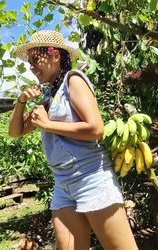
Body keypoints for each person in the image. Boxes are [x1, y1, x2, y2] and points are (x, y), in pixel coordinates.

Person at [9, 30, 138, 250]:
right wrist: (21, 101)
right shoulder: (49, 97)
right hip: (62, 184)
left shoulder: (73, 80)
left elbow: (95, 129)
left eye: (35, 59)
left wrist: (48, 125)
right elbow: (16, 131)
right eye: (29, 62)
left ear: (55, 55)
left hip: (91, 179)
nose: (31, 67)